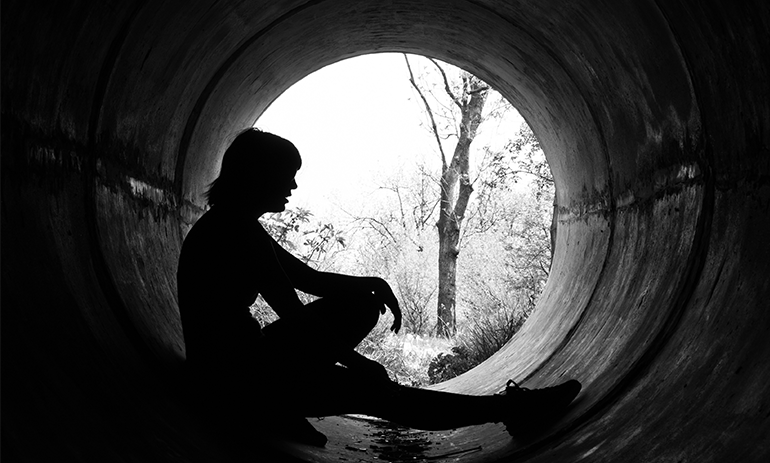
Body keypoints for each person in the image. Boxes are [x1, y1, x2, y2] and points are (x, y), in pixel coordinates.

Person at [177, 128, 581, 447]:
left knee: (362, 303)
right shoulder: (235, 231)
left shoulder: (232, 223)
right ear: (258, 176)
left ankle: (284, 406)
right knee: (380, 395)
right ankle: (509, 410)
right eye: (287, 177)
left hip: (242, 366)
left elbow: (306, 279)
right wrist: (358, 364)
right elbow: (294, 312)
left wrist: (374, 283)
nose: (293, 187)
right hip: (239, 382)